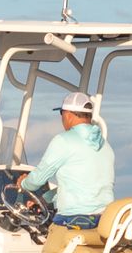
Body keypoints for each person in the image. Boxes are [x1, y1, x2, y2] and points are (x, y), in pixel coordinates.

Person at [12, 94, 116, 230]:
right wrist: (45, 199)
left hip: (74, 219)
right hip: (104, 220)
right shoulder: (105, 145)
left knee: (48, 245)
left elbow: (37, 180)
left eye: (61, 113)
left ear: (67, 114)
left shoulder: (63, 141)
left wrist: (24, 184)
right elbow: (80, 187)